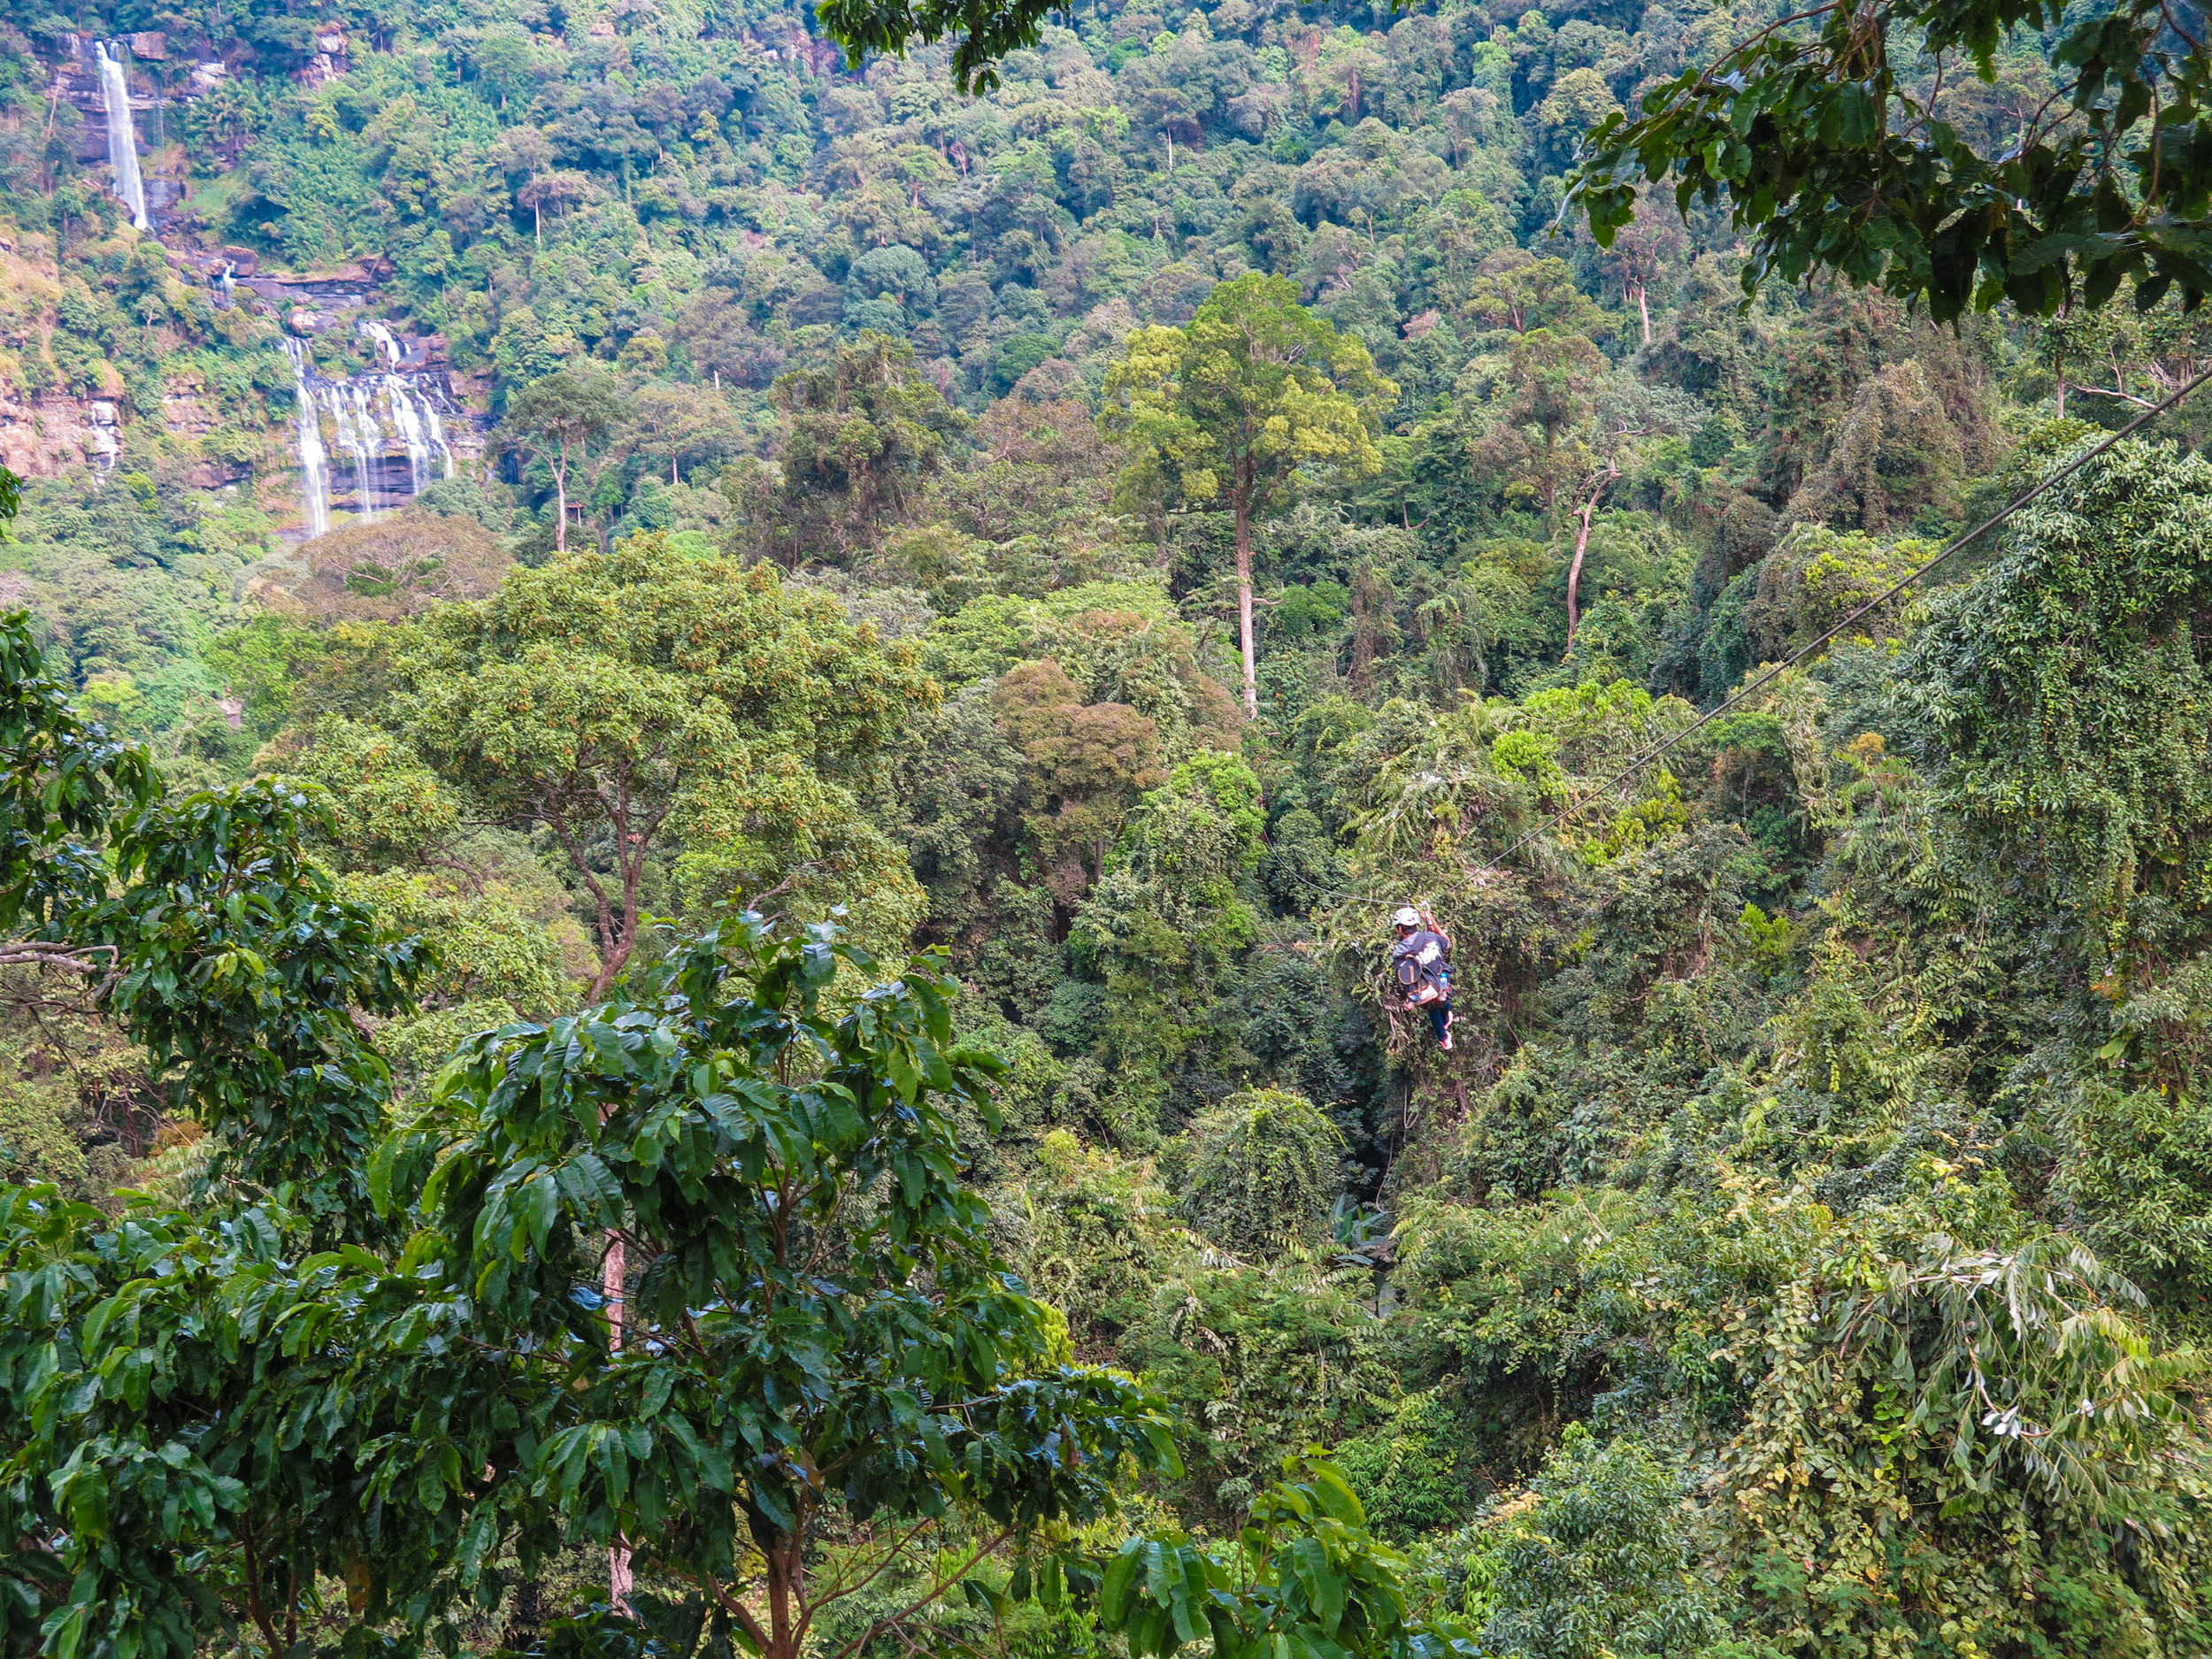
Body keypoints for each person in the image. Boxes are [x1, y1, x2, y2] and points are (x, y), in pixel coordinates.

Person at [1390, 904, 1453, 1050]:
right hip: (1441, 982)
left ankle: (1443, 1038)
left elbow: (1405, 977)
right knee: (1443, 991)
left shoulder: (1400, 952)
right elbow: (1447, 943)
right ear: (1416, 924)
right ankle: (1446, 1016)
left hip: (1425, 989)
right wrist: (1432, 922)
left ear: (1400, 929)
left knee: (1432, 1009)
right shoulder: (1431, 937)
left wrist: (1410, 999)